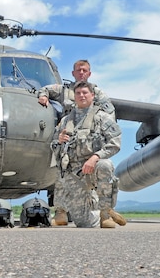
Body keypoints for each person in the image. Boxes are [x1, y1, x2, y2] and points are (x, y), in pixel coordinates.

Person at [49, 81, 126, 228]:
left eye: (85, 93)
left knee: (105, 165)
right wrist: (58, 141)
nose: (81, 95)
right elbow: (53, 147)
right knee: (83, 223)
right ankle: (91, 206)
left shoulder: (102, 118)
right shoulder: (65, 121)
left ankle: (105, 214)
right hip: (74, 173)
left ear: (92, 95)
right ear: (74, 97)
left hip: (93, 166)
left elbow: (115, 142)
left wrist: (95, 157)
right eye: (78, 93)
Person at [37, 59, 115, 120]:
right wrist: (43, 96)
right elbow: (44, 89)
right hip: (67, 129)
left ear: (89, 74)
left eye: (84, 70)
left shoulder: (97, 93)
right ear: (73, 73)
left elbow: (109, 112)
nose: (81, 72)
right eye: (78, 70)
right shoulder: (64, 89)